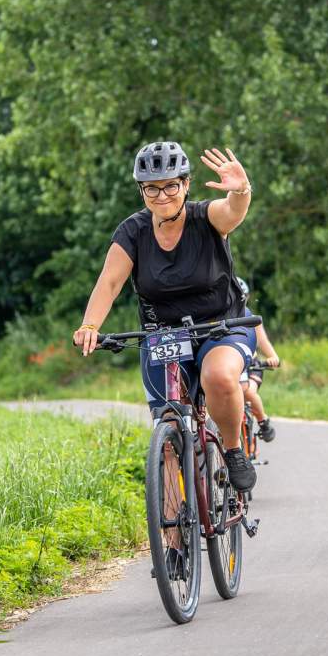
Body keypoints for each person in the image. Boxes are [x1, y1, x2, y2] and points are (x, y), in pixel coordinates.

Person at [72, 141, 257, 492]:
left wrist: (241, 190)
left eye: (171, 185)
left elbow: (233, 211)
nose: (161, 196)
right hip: (165, 336)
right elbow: (109, 282)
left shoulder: (207, 217)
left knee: (218, 377)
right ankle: (172, 542)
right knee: (169, 430)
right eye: (151, 188)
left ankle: (233, 450)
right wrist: (90, 324)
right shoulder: (133, 231)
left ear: (186, 185)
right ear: (141, 190)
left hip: (222, 325)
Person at [235, 277, 280, 442]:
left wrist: (272, 357)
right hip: (234, 366)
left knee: (248, 392)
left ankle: (263, 421)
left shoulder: (251, 318)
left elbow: (262, 341)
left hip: (252, 365)